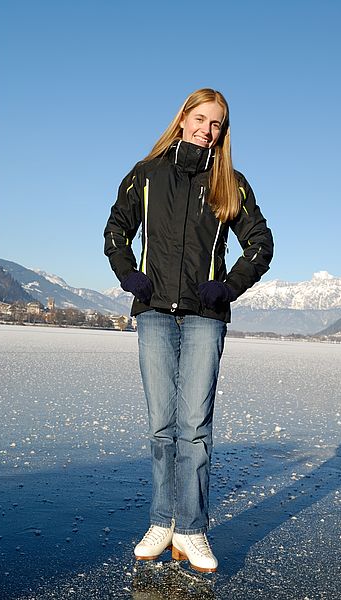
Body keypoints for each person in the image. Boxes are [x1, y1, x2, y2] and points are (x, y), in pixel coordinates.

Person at [103, 88, 274, 572]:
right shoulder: (146, 174)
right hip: (154, 312)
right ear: (182, 120)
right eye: (200, 118)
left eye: (216, 123)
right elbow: (116, 230)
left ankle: (192, 529)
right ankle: (162, 522)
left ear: (223, 133)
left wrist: (227, 286)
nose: (207, 128)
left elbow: (260, 244)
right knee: (162, 427)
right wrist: (128, 276)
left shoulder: (230, 184)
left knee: (194, 429)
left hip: (205, 318)